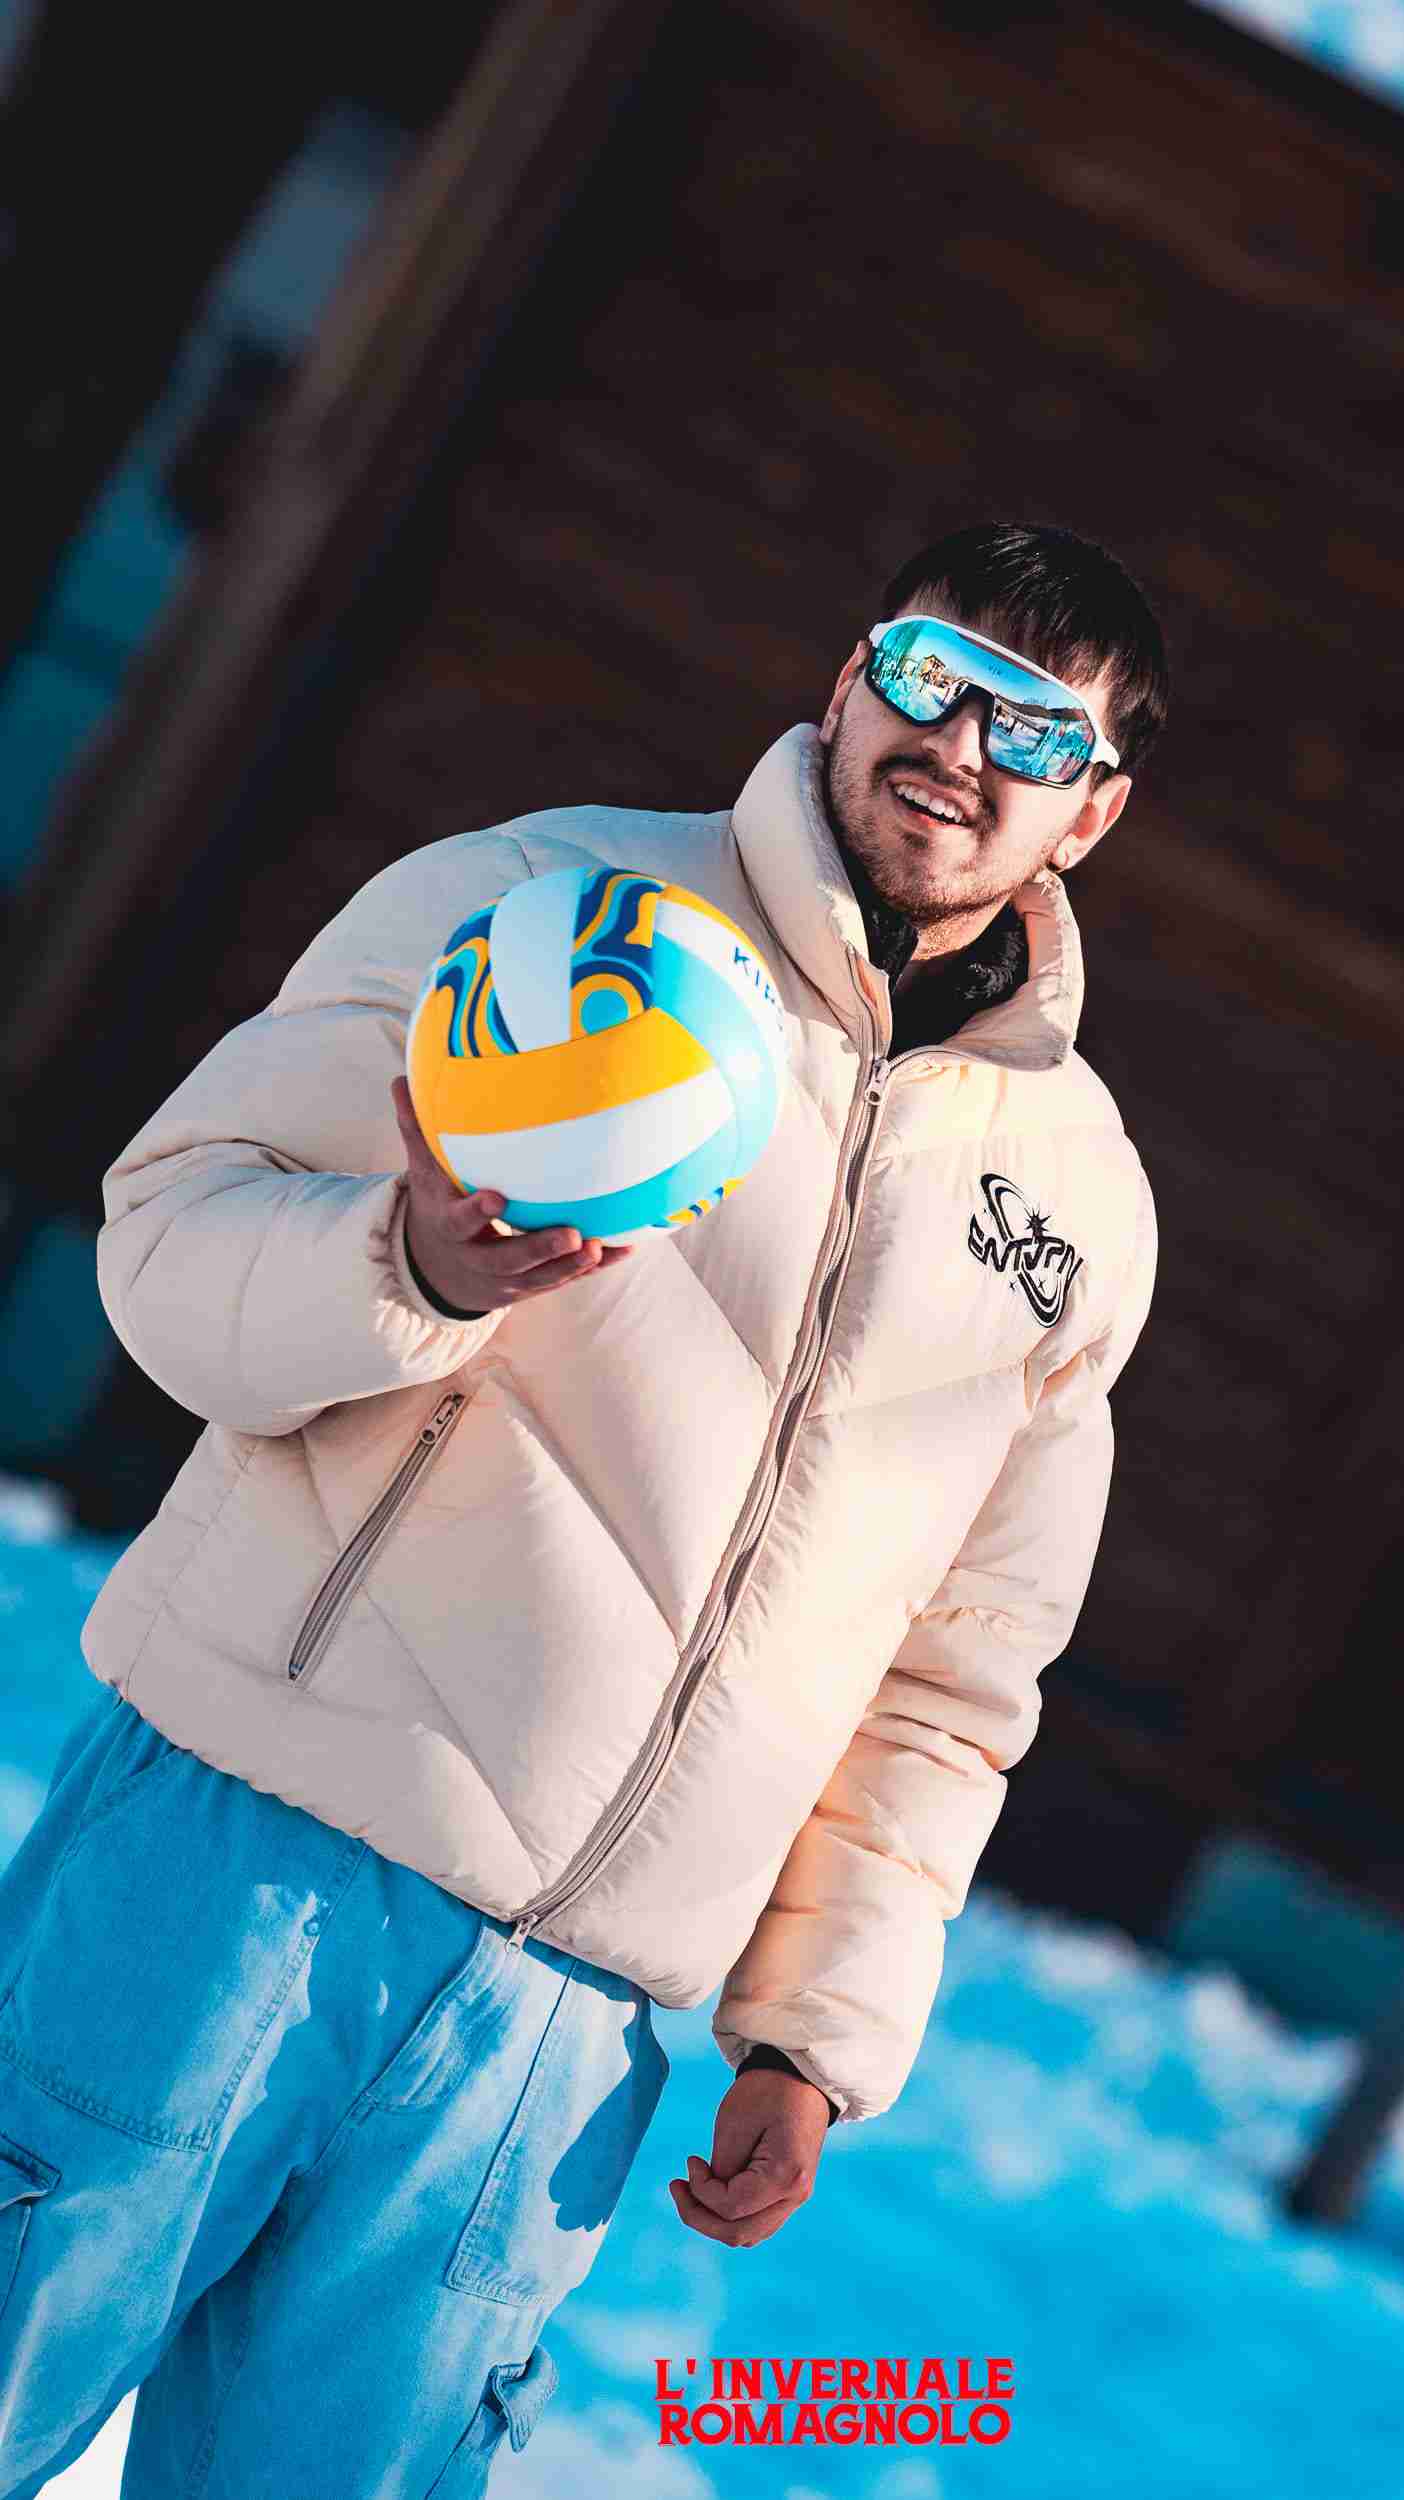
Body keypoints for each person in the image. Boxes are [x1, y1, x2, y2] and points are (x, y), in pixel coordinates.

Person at [0, 519, 1165, 2496]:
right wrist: (407, 1263)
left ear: (1094, 809)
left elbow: (957, 1677)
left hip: (557, 2043)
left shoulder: (1078, 1203)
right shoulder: (541, 907)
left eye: (1035, 729)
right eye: (928, 674)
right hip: (238, 1860)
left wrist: (813, 2033)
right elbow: (170, 1245)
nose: (961, 746)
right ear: (846, 680)